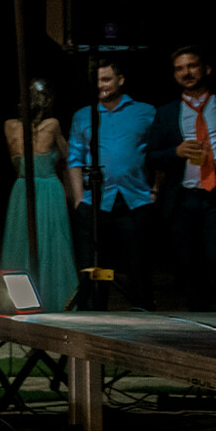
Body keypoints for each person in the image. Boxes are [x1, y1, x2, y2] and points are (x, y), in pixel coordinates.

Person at [148, 46, 216, 308]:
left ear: (207, 69)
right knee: (188, 263)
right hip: (183, 199)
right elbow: (152, 155)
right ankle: (197, 320)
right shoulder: (166, 112)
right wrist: (175, 152)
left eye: (191, 66)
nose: (186, 73)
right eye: (179, 68)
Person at [66, 60, 158, 310]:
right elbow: (74, 158)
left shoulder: (145, 111)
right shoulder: (83, 115)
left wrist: (156, 189)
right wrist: (77, 199)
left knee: (138, 268)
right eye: (96, 81)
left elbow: (159, 153)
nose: (101, 86)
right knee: (95, 270)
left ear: (121, 80)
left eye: (106, 79)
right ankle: (94, 325)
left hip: (135, 199)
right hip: (95, 202)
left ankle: (144, 321)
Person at [1, 79, 76, 312]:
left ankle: (23, 302)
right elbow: (67, 155)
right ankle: (55, 300)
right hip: (46, 188)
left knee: (24, 242)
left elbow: (15, 160)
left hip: (23, 187)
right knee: (50, 242)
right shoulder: (52, 124)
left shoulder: (9, 125)